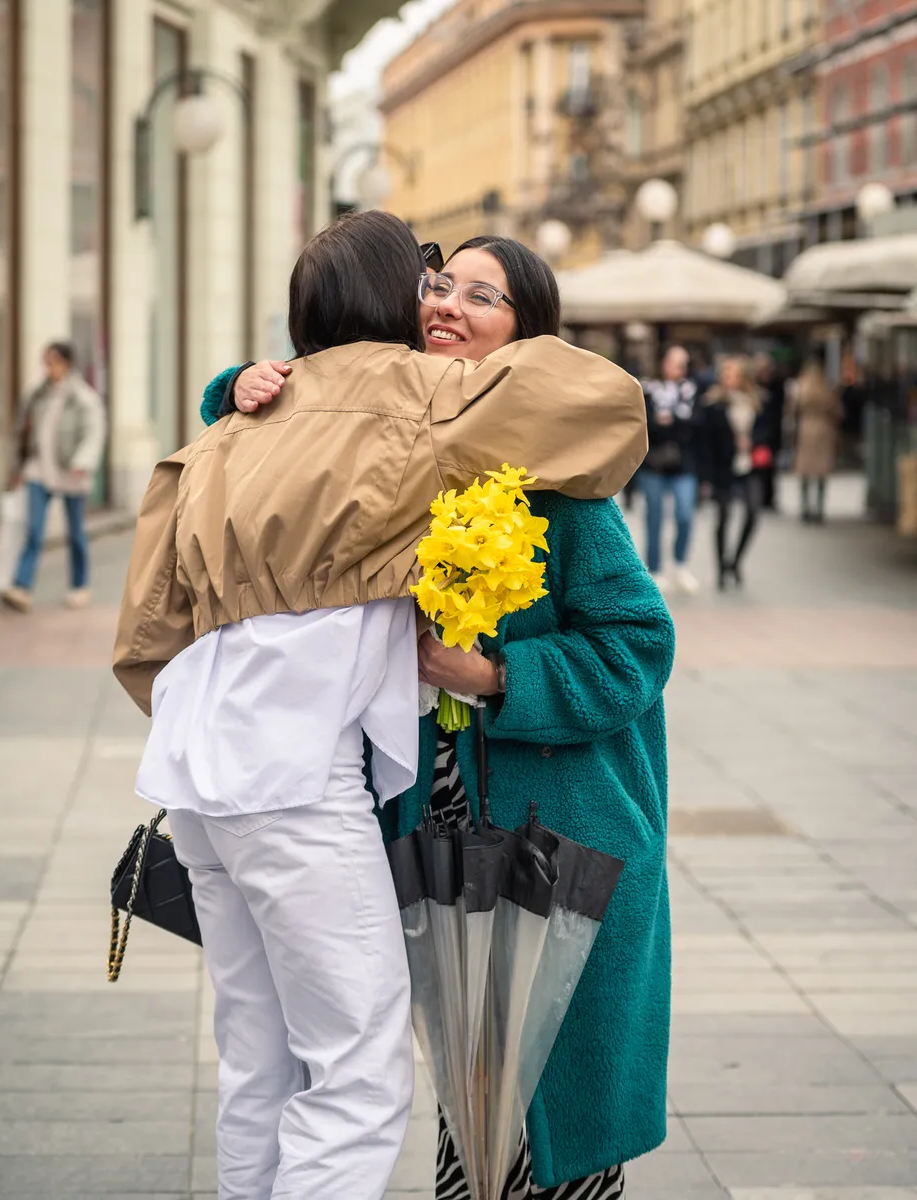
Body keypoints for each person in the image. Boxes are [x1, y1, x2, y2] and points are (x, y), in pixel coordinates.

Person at [115, 213, 648, 1200]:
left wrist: (244, 386)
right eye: (432, 285)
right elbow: (612, 409)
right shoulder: (429, 400)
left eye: (473, 294)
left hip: (196, 772)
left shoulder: (233, 429)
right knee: (357, 1076)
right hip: (297, 781)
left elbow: (146, 634)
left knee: (260, 1061)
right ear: (396, 301)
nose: (442, 305)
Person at [0, 341, 105, 613]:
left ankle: (80, 586)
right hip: (38, 470)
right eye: (45, 361)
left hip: (71, 473)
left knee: (76, 534)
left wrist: (83, 461)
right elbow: (21, 432)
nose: (48, 367)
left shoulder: (82, 397)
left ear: (66, 364)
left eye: (53, 362)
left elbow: (94, 432)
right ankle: (21, 587)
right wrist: (18, 468)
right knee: (33, 530)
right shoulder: (37, 394)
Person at [698, 355, 768, 589]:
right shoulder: (713, 404)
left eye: (736, 375)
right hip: (723, 469)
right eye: (727, 375)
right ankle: (721, 569)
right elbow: (706, 443)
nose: (731, 380)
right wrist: (705, 478)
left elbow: (765, 432)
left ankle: (735, 561)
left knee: (753, 512)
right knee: (724, 516)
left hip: (749, 466)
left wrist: (752, 442)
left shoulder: (755, 402)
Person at [639, 344, 702, 594]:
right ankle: (655, 569)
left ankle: (680, 564)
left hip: (684, 465)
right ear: (663, 363)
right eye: (676, 362)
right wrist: (675, 423)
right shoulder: (648, 390)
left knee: (685, 514)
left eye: (684, 363)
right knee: (654, 516)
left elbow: (696, 425)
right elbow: (646, 424)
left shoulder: (692, 390)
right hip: (654, 464)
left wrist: (670, 421)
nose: (680, 368)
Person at [791, 355, 843, 523]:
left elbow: (792, 409)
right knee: (821, 473)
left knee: (804, 471)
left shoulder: (800, 389)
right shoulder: (827, 389)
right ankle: (819, 508)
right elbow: (837, 411)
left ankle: (805, 507)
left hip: (805, 430)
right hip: (824, 430)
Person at [752, 351, 786, 511]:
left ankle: (769, 497)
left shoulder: (777, 385)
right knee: (758, 467)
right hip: (757, 433)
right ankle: (758, 497)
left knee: (771, 467)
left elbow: (779, 411)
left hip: (772, 433)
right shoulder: (753, 386)